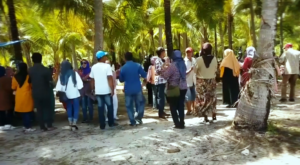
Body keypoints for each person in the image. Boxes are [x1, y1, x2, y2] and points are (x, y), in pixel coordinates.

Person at [90, 51, 117, 130]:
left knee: (100, 108)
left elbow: (92, 79)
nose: (106, 57)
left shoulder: (94, 67)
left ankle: (102, 125)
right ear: (102, 57)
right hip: (107, 90)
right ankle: (111, 123)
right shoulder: (107, 66)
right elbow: (109, 78)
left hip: (98, 91)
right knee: (110, 107)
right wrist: (112, 89)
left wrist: (93, 89)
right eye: (105, 56)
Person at [29, 53, 55, 131]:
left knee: (39, 109)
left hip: (35, 93)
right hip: (45, 92)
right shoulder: (45, 70)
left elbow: (29, 81)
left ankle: (42, 126)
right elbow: (50, 82)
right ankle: (49, 125)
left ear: (33, 60)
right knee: (47, 108)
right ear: (41, 59)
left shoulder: (30, 70)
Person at [161, 50, 187, 129]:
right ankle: (182, 122)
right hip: (184, 87)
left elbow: (165, 76)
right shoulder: (183, 64)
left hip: (174, 88)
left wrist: (162, 69)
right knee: (181, 105)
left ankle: (177, 123)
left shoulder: (173, 66)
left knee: (173, 106)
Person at [119, 52, 147, 126]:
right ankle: (139, 117)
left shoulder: (123, 68)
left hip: (128, 89)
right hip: (137, 88)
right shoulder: (137, 65)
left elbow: (121, 80)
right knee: (141, 102)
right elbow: (144, 75)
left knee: (129, 105)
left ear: (125, 58)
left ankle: (132, 121)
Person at [194, 43, 218, 124]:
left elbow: (194, 70)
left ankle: (205, 116)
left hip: (201, 82)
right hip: (212, 81)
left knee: (202, 98)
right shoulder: (214, 59)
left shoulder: (199, 59)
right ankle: (213, 114)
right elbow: (215, 69)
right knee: (212, 97)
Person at [56, 61, 83, 130]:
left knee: (69, 107)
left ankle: (70, 122)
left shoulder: (61, 75)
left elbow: (58, 87)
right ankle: (74, 123)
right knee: (76, 108)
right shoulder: (74, 73)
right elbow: (80, 85)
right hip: (75, 94)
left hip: (66, 94)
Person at [12, 63, 35, 133]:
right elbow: (31, 86)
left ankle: (25, 126)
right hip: (27, 96)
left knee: (22, 112)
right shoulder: (29, 77)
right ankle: (28, 127)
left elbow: (13, 87)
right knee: (27, 112)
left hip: (19, 96)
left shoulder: (15, 77)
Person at [154, 47, 170, 118]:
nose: (165, 53)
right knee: (161, 97)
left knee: (163, 97)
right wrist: (164, 65)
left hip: (164, 80)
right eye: (163, 52)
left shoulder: (162, 60)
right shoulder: (158, 61)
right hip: (160, 81)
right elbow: (158, 71)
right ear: (161, 53)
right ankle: (160, 112)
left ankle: (162, 111)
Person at [0, 66, 14, 130]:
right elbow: (10, 88)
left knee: (1, 112)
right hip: (6, 97)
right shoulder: (7, 79)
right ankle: (8, 124)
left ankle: (1, 124)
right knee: (9, 110)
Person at [184, 47, 196, 115]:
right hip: (187, 81)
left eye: (190, 52)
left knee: (194, 96)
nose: (189, 53)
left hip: (194, 80)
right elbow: (184, 72)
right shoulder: (184, 61)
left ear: (192, 53)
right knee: (188, 96)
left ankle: (194, 109)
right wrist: (190, 70)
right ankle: (189, 110)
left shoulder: (194, 60)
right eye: (187, 52)